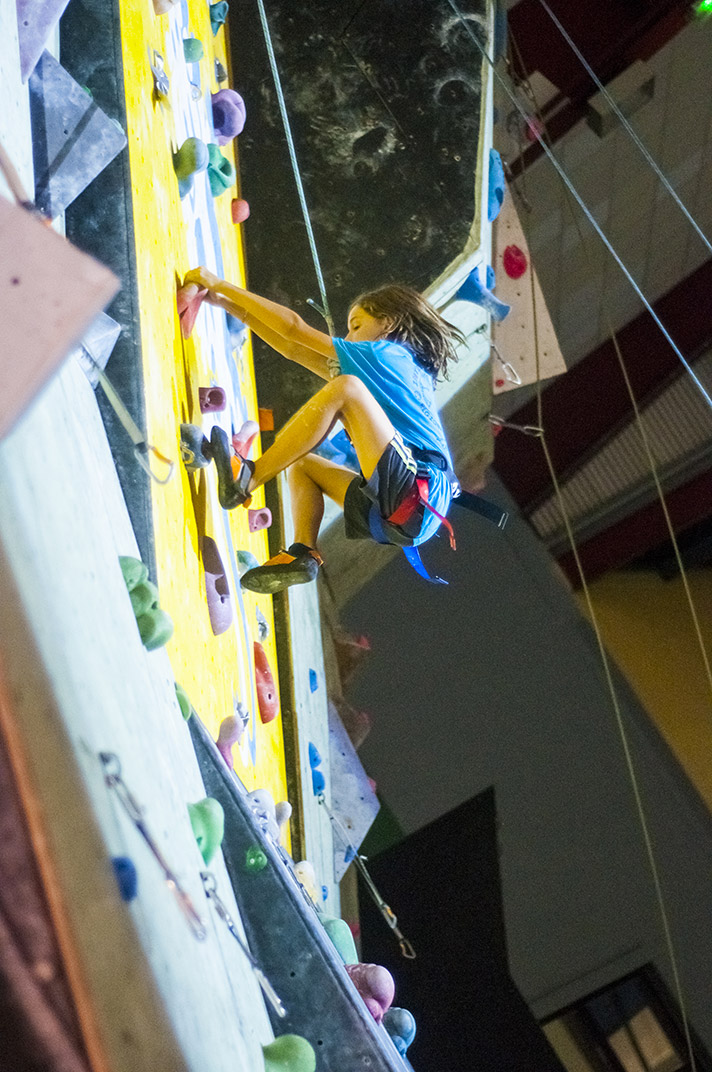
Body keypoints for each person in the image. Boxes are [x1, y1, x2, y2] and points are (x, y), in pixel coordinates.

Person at [181, 267, 465, 594]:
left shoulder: (385, 354)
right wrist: (224, 302)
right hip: (409, 519)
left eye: (356, 326)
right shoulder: (404, 370)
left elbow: (295, 329)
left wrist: (219, 283)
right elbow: (293, 349)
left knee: (346, 388)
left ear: (388, 323)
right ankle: (303, 554)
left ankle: (248, 477)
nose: (349, 337)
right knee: (304, 466)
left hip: (416, 490)